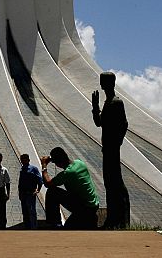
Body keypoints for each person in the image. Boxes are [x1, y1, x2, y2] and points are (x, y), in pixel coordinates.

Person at [92, 71, 130, 229]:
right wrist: (95, 107)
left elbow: (124, 125)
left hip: (112, 148)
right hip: (107, 148)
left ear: (111, 83)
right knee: (109, 182)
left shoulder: (116, 102)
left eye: (104, 81)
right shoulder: (107, 103)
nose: (102, 84)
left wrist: (117, 143)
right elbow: (99, 123)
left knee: (115, 182)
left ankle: (120, 219)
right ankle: (112, 218)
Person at [41, 147, 99, 229]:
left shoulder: (68, 173)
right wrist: (51, 159)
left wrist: (44, 165)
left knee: (52, 192)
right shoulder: (79, 163)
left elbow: (48, 183)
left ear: (58, 163)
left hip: (84, 208)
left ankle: (55, 223)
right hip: (93, 205)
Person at [17, 153, 43, 229]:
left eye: (24, 159)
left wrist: (38, 190)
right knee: (25, 212)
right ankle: (27, 227)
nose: (23, 161)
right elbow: (20, 182)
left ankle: (33, 228)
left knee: (32, 212)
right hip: (23, 194)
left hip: (30, 193)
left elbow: (40, 180)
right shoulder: (22, 169)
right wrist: (19, 193)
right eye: (22, 159)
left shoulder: (33, 169)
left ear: (28, 160)